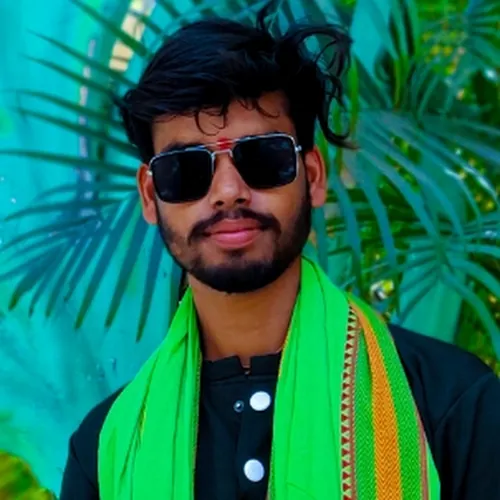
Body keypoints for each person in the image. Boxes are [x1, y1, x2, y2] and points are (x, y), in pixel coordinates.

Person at [60, 3, 500, 500]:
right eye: (186, 169)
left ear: (312, 176)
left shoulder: (450, 404)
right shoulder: (105, 451)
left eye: (262, 157)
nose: (228, 192)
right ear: (149, 195)